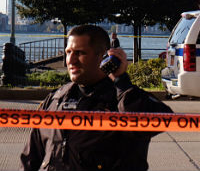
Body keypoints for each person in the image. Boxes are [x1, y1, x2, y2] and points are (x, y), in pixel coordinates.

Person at [20, 24, 173, 171]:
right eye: (68, 52)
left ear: (103, 56)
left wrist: (121, 82)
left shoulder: (124, 98)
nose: (70, 60)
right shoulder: (55, 100)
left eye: (80, 53)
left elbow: (160, 122)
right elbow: (30, 158)